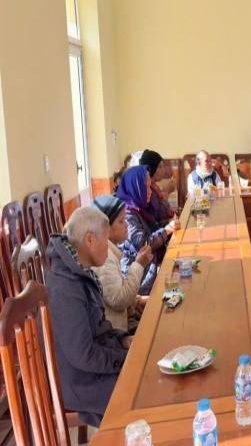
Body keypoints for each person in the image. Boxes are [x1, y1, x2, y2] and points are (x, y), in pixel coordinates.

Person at [45, 207, 132, 426]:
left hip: (90, 370)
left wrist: (123, 339)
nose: (109, 247)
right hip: (81, 383)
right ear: (90, 239)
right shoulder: (65, 288)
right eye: (106, 240)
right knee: (143, 388)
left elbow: (98, 328)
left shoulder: (79, 271)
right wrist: (125, 359)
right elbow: (84, 355)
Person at [92, 195, 153, 332]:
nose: (126, 225)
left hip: (122, 323)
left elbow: (115, 289)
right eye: (121, 221)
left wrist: (137, 301)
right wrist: (139, 265)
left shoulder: (110, 250)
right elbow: (119, 300)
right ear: (105, 229)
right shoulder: (104, 257)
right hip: (115, 334)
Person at [116, 165, 179, 294]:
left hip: (149, 270)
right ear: (136, 187)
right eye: (146, 187)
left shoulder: (138, 206)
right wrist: (167, 230)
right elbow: (143, 245)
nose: (150, 191)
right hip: (139, 281)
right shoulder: (127, 213)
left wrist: (168, 225)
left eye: (150, 187)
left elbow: (153, 226)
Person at [139, 149, 175, 226]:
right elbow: (159, 214)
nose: (164, 171)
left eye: (163, 166)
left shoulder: (154, 186)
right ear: (151, 168)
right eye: (159, 167)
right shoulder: (147, 189)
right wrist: (167, 191)